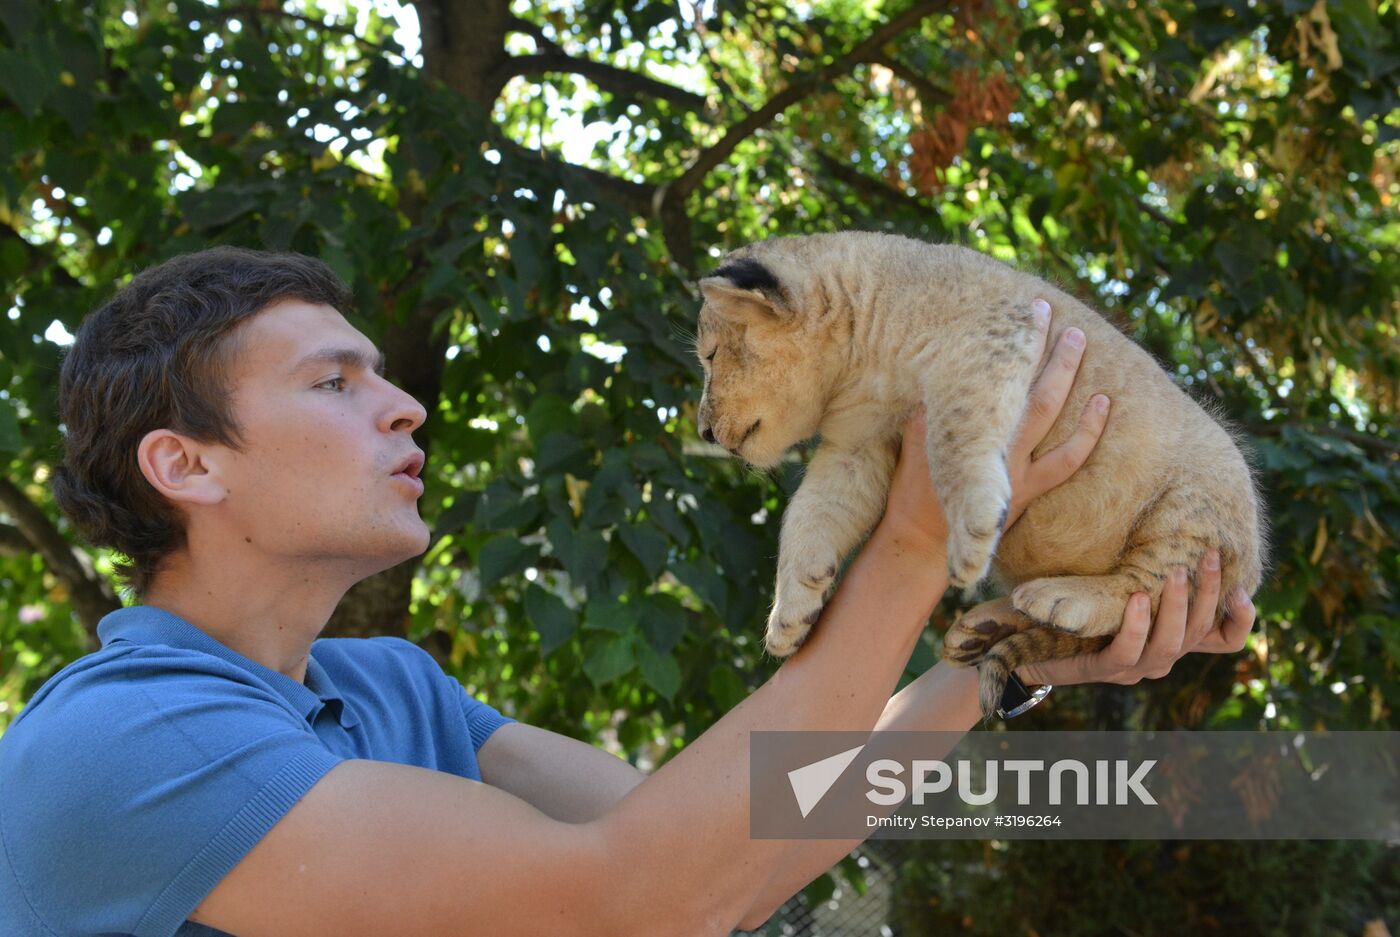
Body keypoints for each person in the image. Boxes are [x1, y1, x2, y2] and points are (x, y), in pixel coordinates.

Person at [0, 247, 1255, 937]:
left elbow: (742, 841)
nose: (404, 403)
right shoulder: (126, 737)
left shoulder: (391, 692)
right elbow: (635, 898)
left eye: (382, 374)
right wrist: (912, 540)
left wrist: (995, 661)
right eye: (334, 384)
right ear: (186, 463)